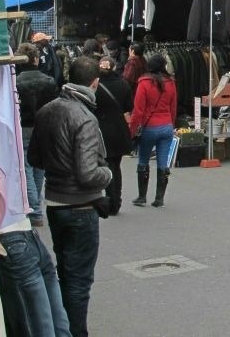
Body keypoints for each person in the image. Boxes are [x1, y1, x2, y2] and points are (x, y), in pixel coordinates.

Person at [29, 56, 113, 337]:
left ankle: (64, 328)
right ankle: (75, 332)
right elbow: (88, 173)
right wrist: (107, 174)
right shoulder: (84, 117)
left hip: (56, 204)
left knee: (65, 273)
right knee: (79, 281)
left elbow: (35, 159)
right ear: (95, 83)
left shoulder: (47, 110)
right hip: (81, 207)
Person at [15, 42, 58, 227]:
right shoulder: (48, 81)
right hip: (44, 126)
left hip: (24, 126)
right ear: (35, 59)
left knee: (26, 168)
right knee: (40, 166)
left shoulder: (15, 82)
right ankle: (36, 206)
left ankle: (34, 209)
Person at [129, 55, 178, 208]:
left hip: (149, 127)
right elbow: (173, 107)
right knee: (163, 162)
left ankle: (142, 197)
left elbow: (138, 111)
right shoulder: (171, 83)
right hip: (166, 125)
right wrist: (171, 124)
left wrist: (132, 131)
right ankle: (159, 199)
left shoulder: (144, 83)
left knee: (143, 160)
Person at [95, 56, 134, 215]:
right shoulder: (123, 84)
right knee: (116, 166)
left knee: (106, 165)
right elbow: (129, 106)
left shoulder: (95, 86)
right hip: (119, 129)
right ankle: (116, 200)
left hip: (101, 130)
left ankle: (111, 200)